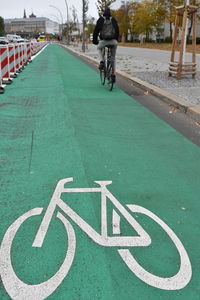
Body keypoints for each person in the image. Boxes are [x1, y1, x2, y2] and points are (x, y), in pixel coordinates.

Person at [93, 7, 119, 78]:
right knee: (113, 58)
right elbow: (117, 31)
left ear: (103, 13)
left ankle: (101, 61)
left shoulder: (100, 20)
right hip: (113, 42)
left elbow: (96, 31)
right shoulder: (113, 20)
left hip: (103, 41)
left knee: (98, 48)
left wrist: (95, 41)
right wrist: (116, 40)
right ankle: (113, 74)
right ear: (110, 13)